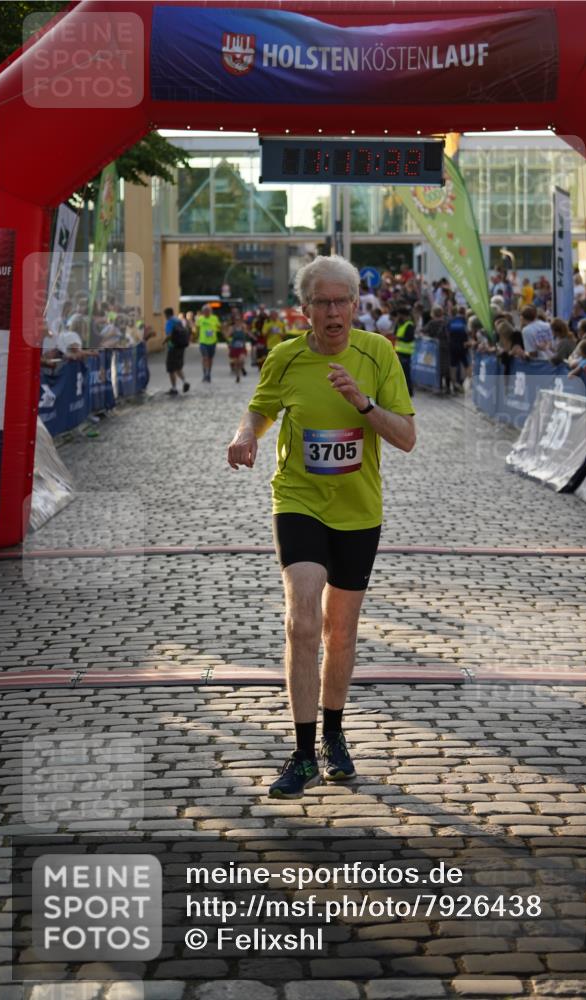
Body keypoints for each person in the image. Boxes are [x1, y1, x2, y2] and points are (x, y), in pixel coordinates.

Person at [227, 255, 415, 798]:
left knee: (340, 630)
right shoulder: (284, 357)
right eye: (322, 303)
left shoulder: (378, 353)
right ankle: (304, 752)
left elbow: (405, 437)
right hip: (298, 498)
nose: (333, 312)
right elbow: (260, 408)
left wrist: (363, 402)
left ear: (357, 305)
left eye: (342, 301)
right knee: (302, 620)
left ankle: (334, 735)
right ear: (304, 309)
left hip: (359, 509)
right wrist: (247, 436)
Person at [163, 307, 190, 395]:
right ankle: (185, 382)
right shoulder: (178, 321)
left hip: (173, 347)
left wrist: (163, 342)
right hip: (181, 346)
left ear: (166, 314)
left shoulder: (170, 322)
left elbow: (169, 334)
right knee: (178, 367)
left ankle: (174, 388)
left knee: (171, 368)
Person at [394, 305, 416, 396]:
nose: (398, 317)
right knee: (400, 373)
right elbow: (395, 333)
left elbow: (409, 338)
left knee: (406, 374)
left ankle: (409, 392)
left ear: (403, 315)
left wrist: (399, 338)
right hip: (399, 352)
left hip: (406, 354)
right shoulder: (400, 324)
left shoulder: (409, 325)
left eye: (399, 315)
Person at [196, 305, 221, 383]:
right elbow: (197, 328)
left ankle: (209, 373)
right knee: (205, 358)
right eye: (205, 311)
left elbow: (219, 327)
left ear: (210, 311)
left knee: (210, 359)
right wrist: (197, 337)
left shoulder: (214, 318)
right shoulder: (200, 319)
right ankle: (205, 374)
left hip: (212, 342)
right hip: (203, 342)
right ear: (203, 312)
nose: (207, 312)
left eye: (208, 311)